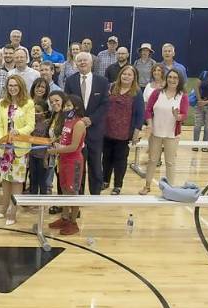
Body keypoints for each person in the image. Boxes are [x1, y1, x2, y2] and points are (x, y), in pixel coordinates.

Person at [64, 52, 109, 195]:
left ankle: (95, 195)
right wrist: (78, 121)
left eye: (85, 60)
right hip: (76, 130)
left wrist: (91, 119)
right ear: (76, 64)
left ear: (91, 63)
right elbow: (68, 104)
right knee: (78, 165)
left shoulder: (102, 81)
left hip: (95, 129)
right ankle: (78, 195)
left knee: (95, 164)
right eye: (80, 61)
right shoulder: (70, 81)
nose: (82, 63)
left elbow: (105, 104)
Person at [0, 75, 35, 226]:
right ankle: (3, 206)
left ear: (21, 86)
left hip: (19, 149)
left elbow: (30, 126)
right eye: (10, 85)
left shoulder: (28, 104)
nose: (12, 88)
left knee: (17, 181)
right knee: (5, 179)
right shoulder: (2, 103)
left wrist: (18, 131)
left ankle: (13, 210)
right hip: (5, 148)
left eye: (15, 85)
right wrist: (1, 140)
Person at [139, 69, 188, 194]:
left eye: (175, 78)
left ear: (179, 80)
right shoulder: (157, 93)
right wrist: (150, 124)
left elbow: (184, 115)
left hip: (172, 135)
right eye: (170, 77)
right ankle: (147, 185)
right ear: (166, 79)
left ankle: (170, 189)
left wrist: (178, 117)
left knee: (170, 162)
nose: (172, 80)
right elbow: (148, 110)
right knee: (153, 160)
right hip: (155, 133)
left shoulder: (183, 96)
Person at [47, 94, 87, 235]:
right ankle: (64, 217)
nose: (66, 108)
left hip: (74, 161)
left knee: (73, 192)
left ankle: (73, 222)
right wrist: (56, 144)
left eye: (69, 106)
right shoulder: (67, 121)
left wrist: (57, 149)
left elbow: (74, 146)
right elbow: (64, 141)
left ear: (76, 107)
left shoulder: (79, 123)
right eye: (65, 106)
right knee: (64, 189)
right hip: (63, 159)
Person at [102, 65, 144, 195]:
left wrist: (136, 132)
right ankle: (105, 180)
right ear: (120, 75)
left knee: (120, 160)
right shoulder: (111, 87)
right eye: (124, 74)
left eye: (129, 75)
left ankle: (118, 185)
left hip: (124, 132)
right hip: (107, 130)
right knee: (106, 158)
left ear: (134, 77)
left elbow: (140, 114)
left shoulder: (136, 92)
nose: (126, 76)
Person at [28, 98, 51, 195]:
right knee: (33, 179)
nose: (35, 113)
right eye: (34, 111)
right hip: (32, 156)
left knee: (42, 180)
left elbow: (49, 143)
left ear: (44, 112)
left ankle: (42, 201)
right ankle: (32, 199)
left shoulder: (47, 125)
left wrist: (46, 158)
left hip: (42, 157)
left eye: (38, 111)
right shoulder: (31, 123)